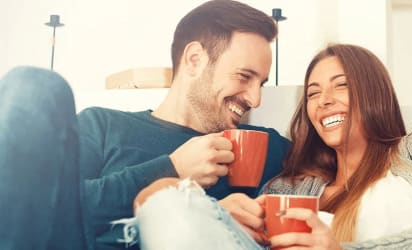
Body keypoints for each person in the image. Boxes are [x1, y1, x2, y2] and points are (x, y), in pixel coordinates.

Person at [134, 43, 412, 249]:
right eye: (313, 93)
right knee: (163, 200)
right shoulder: (289, 189)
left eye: (340, 85)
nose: (323, 101)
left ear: (374, 91)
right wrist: (227, 217)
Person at [0, 1, 290, 249]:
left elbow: (332, 164)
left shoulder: (263, 146)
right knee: (35, 86)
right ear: (194, 60)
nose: (255, 98)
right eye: (244, 76)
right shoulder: (103, 125)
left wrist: (214, 216)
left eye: (261, 83)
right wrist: (170, 168)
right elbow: (47, 209)